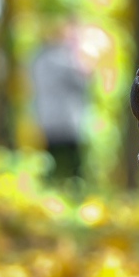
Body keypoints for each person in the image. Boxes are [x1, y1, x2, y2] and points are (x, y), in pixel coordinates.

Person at [31, 22, 90, 181]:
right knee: (75, 166)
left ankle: (48, 194)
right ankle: (76, 191)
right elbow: (82, 82)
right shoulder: (65, 60)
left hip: (46, 119)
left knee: (51, 163)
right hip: (68, 121)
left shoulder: (37, 60)